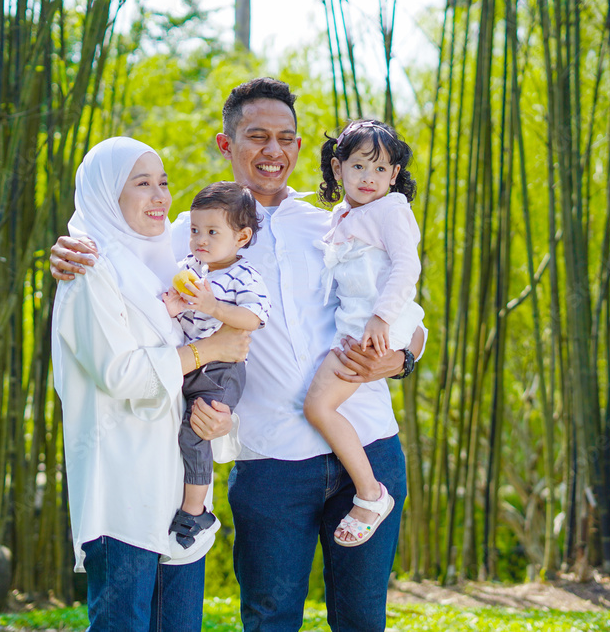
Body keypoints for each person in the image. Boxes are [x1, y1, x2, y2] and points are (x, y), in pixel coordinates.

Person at [51, 78, 425, 632]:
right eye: (257, 137)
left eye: (287, 138)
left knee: (363, 618)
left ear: (301, 148)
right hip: (268, 460)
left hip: (366, 442)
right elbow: (120, 261)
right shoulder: (183, 234)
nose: (274, 151)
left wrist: (402, 359)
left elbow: (406, 306)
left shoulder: (338, 221)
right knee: (270, 619)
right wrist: (69, 247)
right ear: (227, 145)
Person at [51, 137, 249, 631]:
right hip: (123, 488)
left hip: (182, 495)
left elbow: (201, 376)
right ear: (105, 195)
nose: (160, 195)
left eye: (163, 182)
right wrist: (211, 349)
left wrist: (220, 416)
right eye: (142, 184)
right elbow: (123, 375)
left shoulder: (175, 262)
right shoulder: (88, 270)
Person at [302, 119, 424, 548]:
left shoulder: (391, 210)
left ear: (394, 175)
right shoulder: (343, 215)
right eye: (358, 167)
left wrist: (381, 318)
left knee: (318, 407)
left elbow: (408, 267)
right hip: (358, 328)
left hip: (369, 330)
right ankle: (368, 490)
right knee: (322, 408)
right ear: (338, 169)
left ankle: (371, 494)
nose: (368, 178)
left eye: (379, 169)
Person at [162, 181, 271, 555]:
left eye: (212, 232)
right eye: (194, 230)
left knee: (196, 430)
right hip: (192, 359)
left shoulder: (245, 276)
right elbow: (176, 301)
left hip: (222, 370)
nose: (200, 240)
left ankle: (196, 509)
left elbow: (253, 318)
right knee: (173, 424)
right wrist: (174, 305)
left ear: (241, 237)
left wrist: (212, 307)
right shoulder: (191, 265)